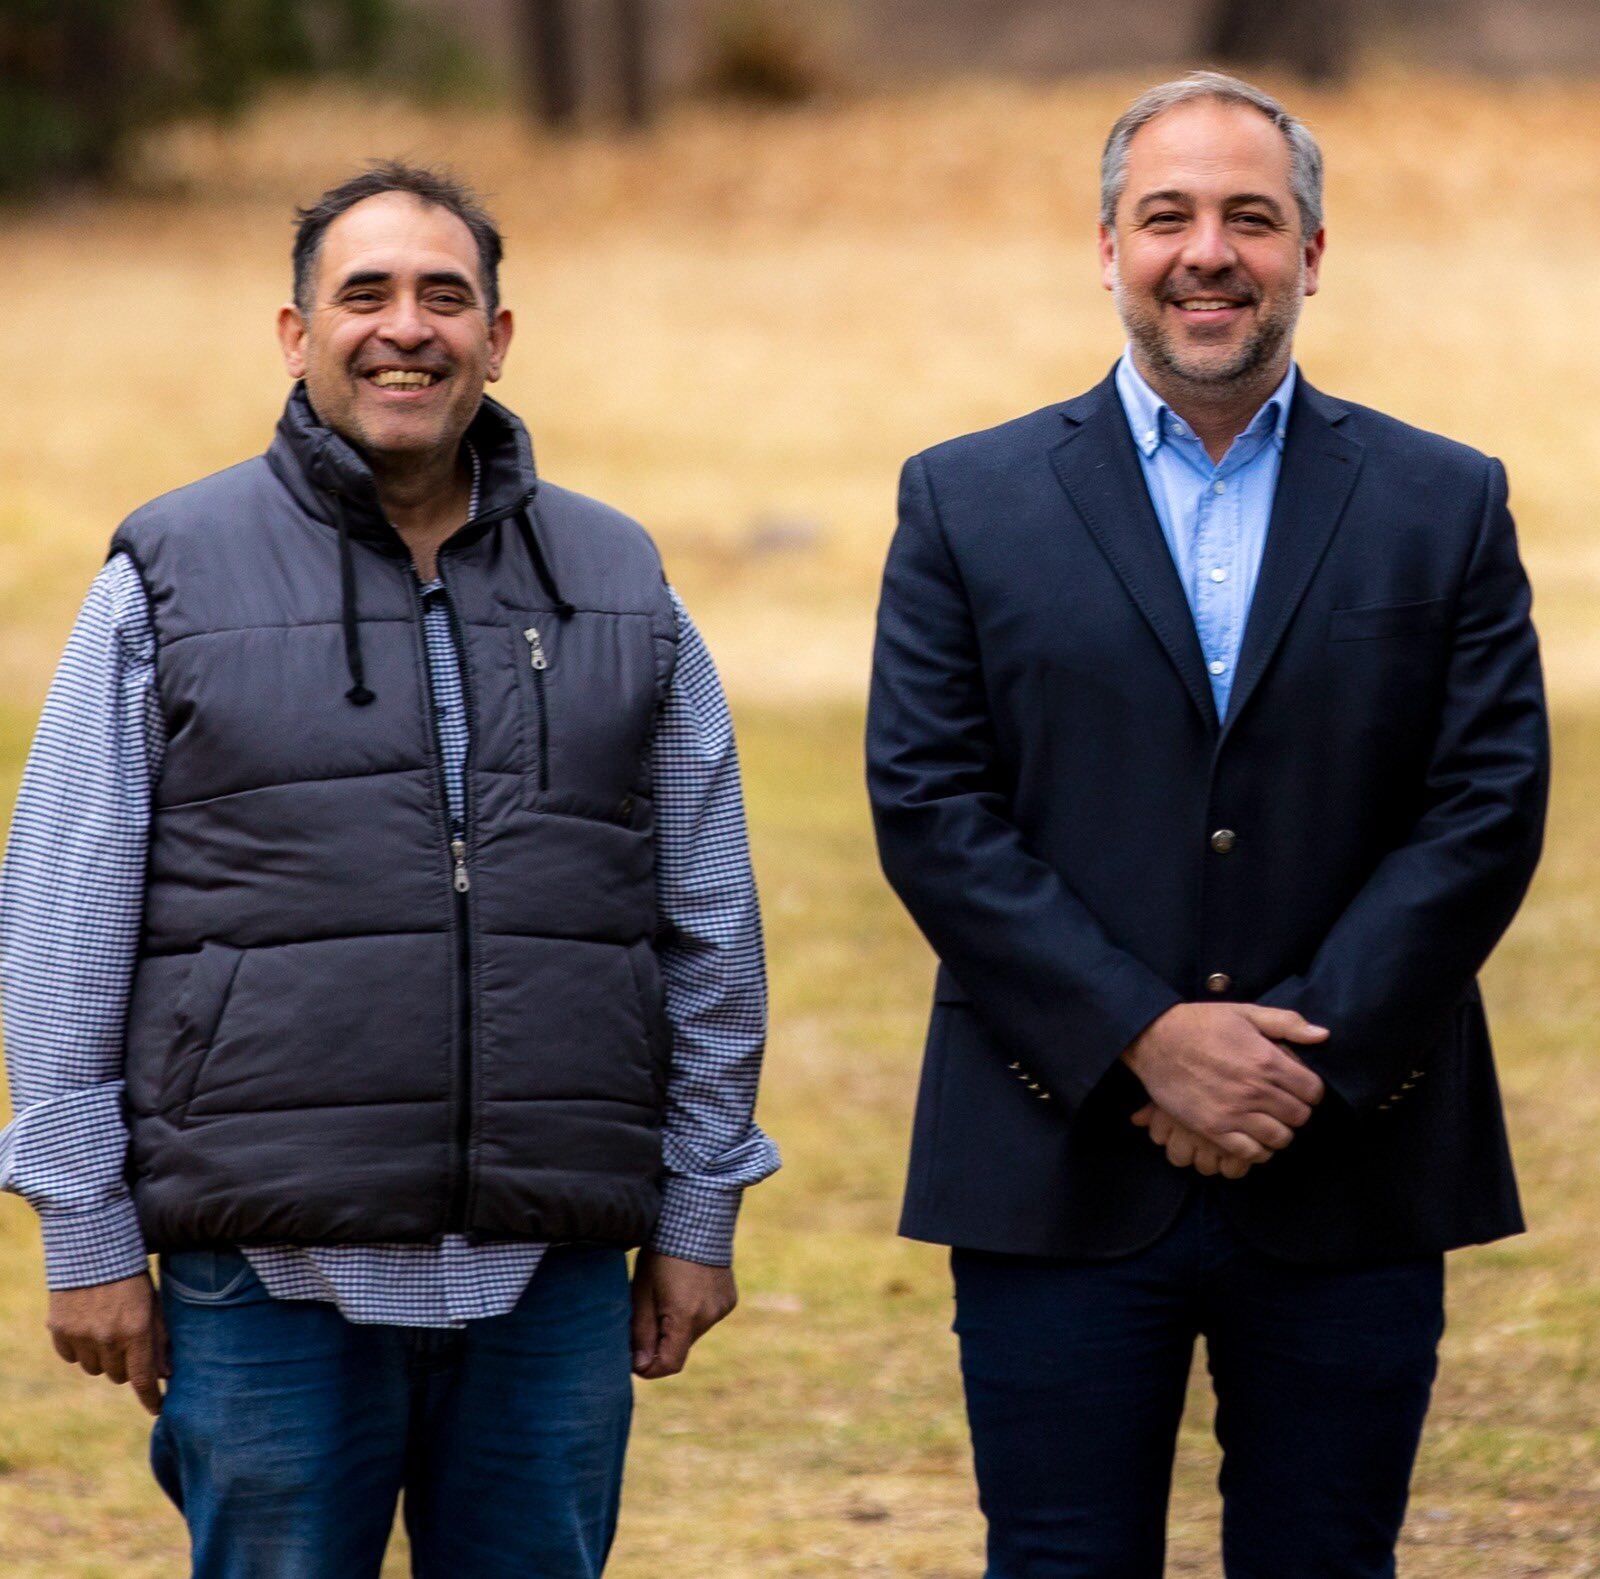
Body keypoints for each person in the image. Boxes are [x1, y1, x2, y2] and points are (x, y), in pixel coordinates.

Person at [0, 161, 777, 1578]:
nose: (405, 327)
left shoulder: (620, 583)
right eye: (365, 294)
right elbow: (64, 918)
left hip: (548, 1278)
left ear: (499, 334)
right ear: (296, 336)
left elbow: (708, 924)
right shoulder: (167, 576)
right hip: (270, 1281)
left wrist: (696, 1208)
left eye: (446, 296)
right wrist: (85, 1227)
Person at [866, 71, 1547, 1578]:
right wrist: (1143, 1036)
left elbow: (1485, 805)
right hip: (1054, 1154)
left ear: (1313, 252)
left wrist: (1298, 1058)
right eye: (1166, 215)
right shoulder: (967, 501)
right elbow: (930, 804)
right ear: (1105, 247)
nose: (1208, 251)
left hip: (1354, 1153)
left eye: (1253, 216)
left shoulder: (1445, 500)